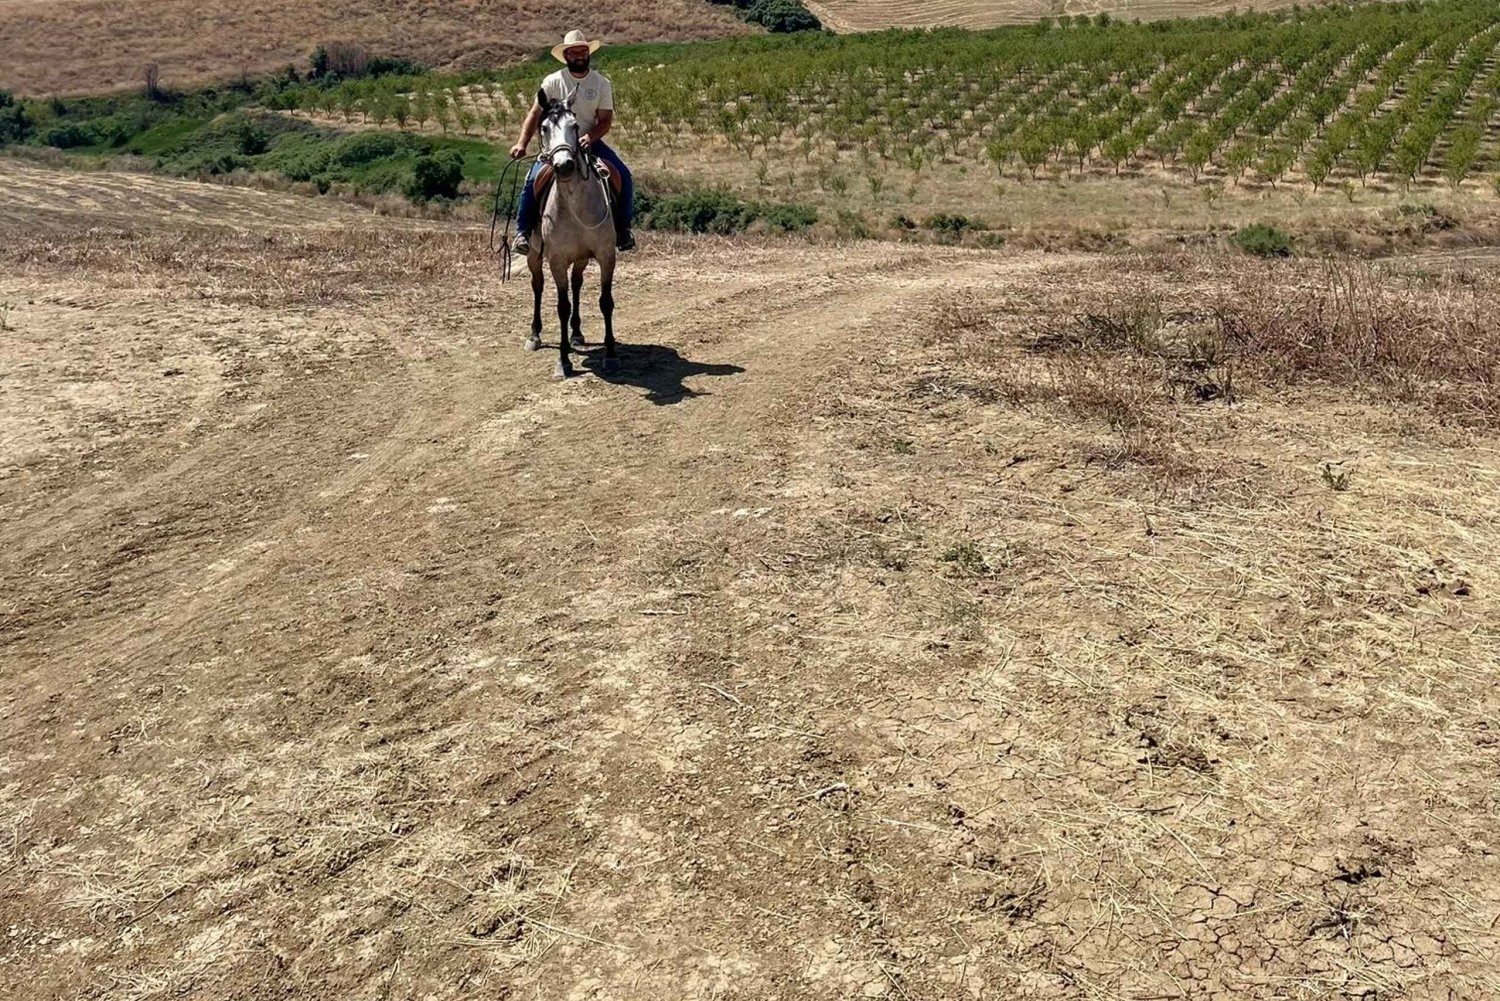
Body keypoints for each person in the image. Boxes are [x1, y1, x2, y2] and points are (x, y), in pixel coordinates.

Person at [510, 29, 636, 253]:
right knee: (533, 179)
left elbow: (605, 121)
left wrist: (590, 137)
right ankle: (522, 232)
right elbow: (535, 114)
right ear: (566, 56)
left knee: (624, 175)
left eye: (582, 51)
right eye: (574, 52)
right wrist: (522, 143)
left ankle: (623, 230)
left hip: (589, 142)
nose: (579, 55)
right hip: (557, 145)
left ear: (588, 53)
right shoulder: (552, 81)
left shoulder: (601, 84)